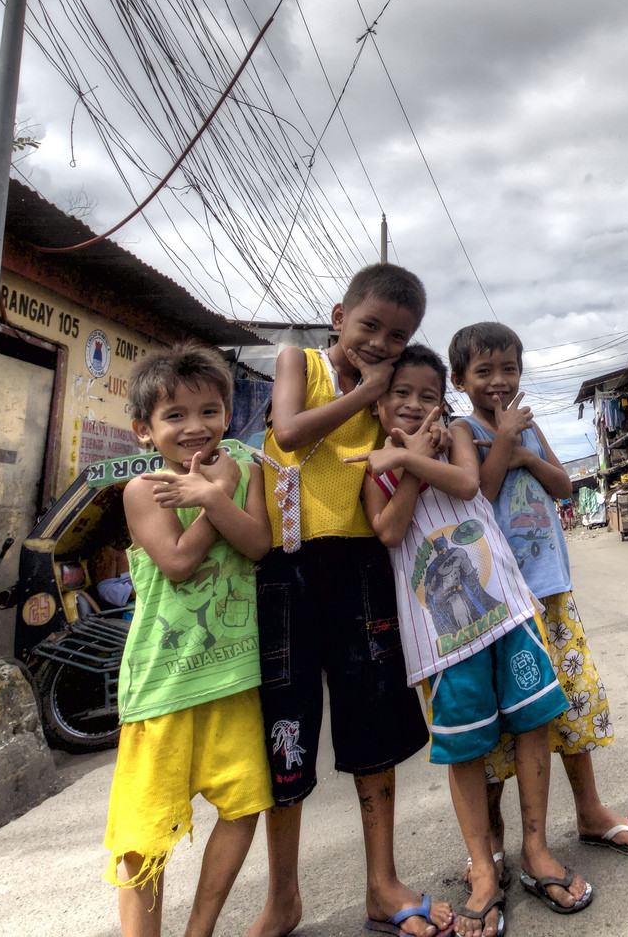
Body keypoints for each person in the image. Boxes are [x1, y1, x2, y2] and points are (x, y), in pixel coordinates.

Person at [352, 345, 577, 937]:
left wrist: (408, 456)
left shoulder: (452, 433)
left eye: (428, 395)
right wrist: (400, 463)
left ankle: (536, 847)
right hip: (441, 641)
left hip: (504, 609)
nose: (415, 405)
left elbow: (467, 481)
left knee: (533, 722)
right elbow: (392, 528)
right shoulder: (373, 469)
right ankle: (483, 868)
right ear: (377, 403)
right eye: (401, 395)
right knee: (466, 749)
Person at [254, 264, 447, 937]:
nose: (380, 343)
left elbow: (403, 452)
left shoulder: (386, 392)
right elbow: (287, 432)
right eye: (369, 326)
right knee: (286, 723)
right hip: (288, 566)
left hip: (362, 563)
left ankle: (381, 882)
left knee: (373, 716)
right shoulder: (298, 361)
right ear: (339, 315)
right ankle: (282, 896)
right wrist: (364, 391)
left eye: (397, 336)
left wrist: (400, 416)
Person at [450, 321, 628, 906]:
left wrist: (521, 446)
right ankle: (491, 843)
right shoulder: (461, 430)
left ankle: (590, 811)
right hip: (503, 602)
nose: (499, 381)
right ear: (460, 380)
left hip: (551, 588)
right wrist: (507, 448)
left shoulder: (524, 422)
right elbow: (477, 495)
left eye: (509, 369)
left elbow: (564, 485)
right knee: (511, 718)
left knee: (570, 700)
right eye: (484, 372)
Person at [105, 344, 274, 937]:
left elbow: (256, 544)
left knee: (246, 805)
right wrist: (211, 499)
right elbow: (176, 563)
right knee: (143, 832)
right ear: (144, 430)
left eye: (209, 410)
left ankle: (198, 932)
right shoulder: (141, 489)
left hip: (233, 676)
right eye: (174, 415)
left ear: (227, 413)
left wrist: (215, 493)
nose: (194, 426)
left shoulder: (246, 468)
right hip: (163, 685)